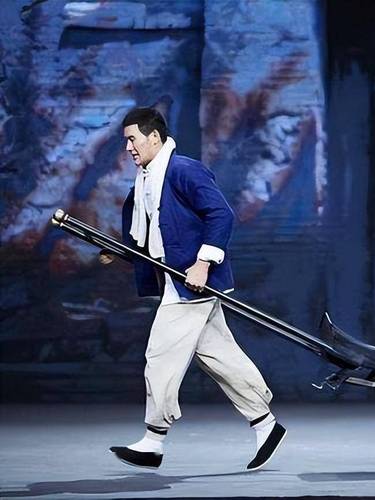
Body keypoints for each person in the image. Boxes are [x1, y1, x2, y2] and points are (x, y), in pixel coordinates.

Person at [100, 107, 286, 471]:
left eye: (132, 139)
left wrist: (203, 263)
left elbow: (221, 214)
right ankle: (266, 424)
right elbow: (151, 230)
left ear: (154, 137)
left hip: (192, 284)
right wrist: (120, 251)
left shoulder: (183, 170)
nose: (128, 148)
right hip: (174, 281)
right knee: (219, 355)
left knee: (160, 355)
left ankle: (154, 439)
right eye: (126, 141)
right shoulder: (146, 178)